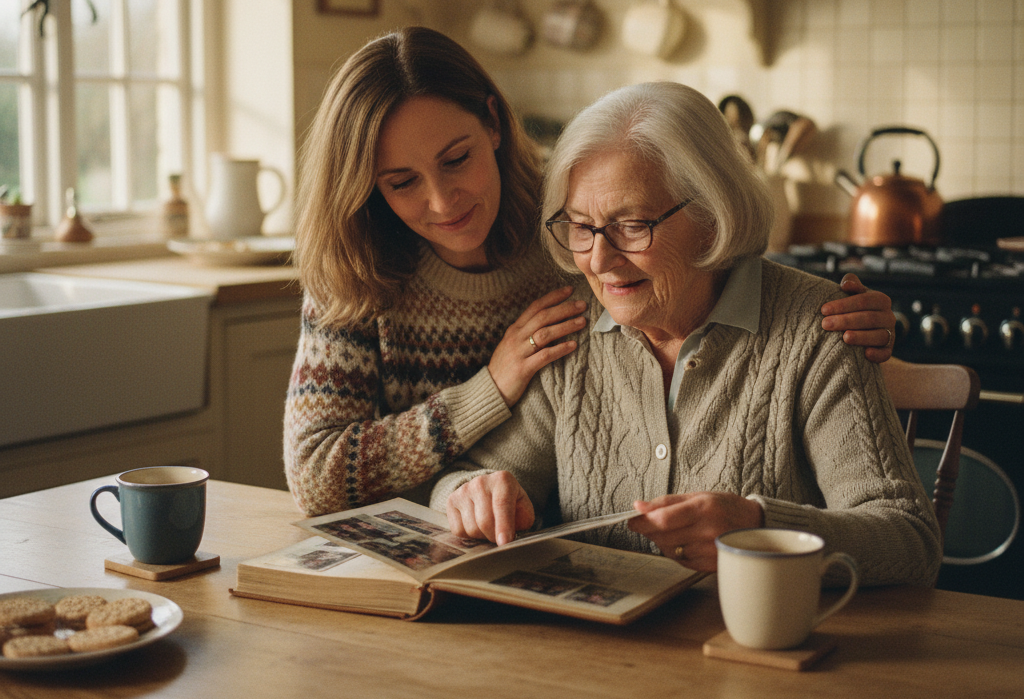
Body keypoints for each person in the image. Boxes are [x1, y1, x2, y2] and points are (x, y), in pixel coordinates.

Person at [284, 27, 899, 519]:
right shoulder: (357, 267)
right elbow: (314, 475)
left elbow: (703, 257)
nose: (443, 202)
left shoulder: (575, 216)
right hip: (427, 547)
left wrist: (827, 315)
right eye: (402, 182)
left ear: (493, 125)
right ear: (368, 188)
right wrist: (488, 394)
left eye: (457, 159)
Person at [433, 81, 941, 587]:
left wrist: (761, 530)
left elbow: (910, 540)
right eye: (581, 226)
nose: (599, 260)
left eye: (631, 225)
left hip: (752, 652)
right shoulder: (572, 331)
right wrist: (474, 494)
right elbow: (464, 480)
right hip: (592, 656)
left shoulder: (818, 328)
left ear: (711, 213)